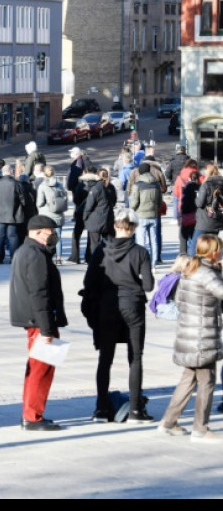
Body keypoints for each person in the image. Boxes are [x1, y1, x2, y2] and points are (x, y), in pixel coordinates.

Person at [81, 207, 155, 424]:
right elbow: (149, 285)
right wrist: (133, 284)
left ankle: (101, 409)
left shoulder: (101, 250)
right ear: (134, 228)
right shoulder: (140, 252)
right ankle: (134, 410)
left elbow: (89, 281)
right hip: (132, 304)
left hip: (107, 306)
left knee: (105, 359)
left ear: (115, 226)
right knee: (135, 357)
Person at [156, 235, 223, 442]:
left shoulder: (191, 270)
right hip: (202, 337)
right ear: (213, 252)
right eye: (219, 249)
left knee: (188, 379)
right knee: (207, 381)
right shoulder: (206, 275)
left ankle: (168, 421)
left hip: (189, 334)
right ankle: (200, 429)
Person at [9, 215, 68, 431]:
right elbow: (39, 294)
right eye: (50, 232)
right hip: (39, 320)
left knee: (38, 368)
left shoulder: (27, 251)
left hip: (34, 319)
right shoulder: (35, 255)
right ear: (38, 232)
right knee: (40, 370)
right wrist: (46, 328)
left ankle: (32, 413)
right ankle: (32, 416)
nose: (53, 236)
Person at [0, 165, 28, 265]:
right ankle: (13, 257)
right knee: (13, 236)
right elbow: (23, 200)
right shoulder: (16, 184)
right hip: (13, 213)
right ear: (11, 172)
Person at [129, 162, 162, 266]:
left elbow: (134, 202)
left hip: (141, 215)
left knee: (141, 241)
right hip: (154, 215)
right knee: (154, 240)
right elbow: (160, 201)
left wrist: (131, 211)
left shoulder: (138, 185)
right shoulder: (156, 184)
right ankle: (154, 262)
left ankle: (141, 263)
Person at [36, 166, 68, 264]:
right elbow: (65, 198)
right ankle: (59, 258)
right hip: (58, 214)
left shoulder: (42, 186)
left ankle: (47, 256)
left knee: (46, 236)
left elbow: (40, 203)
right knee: (58, 236)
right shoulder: (59, 185)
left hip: (46, 215)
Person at [83, 168, 118, 257]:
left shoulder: (96, 188)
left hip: (95, 219)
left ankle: (95, 261)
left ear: (98, 176)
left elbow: (89, 206)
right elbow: (114, 202)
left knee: (94, 243)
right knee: (108, 242)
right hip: (108, 219)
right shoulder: (111, 187)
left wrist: (85, 217)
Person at [194, 164, 223, 254]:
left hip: (205, 221)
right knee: (212, 246)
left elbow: (199, 203)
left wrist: (196, 198)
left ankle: (198, 265)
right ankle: (211, 263)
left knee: (195, 247)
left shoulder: (206, 184)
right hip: (218, 220)